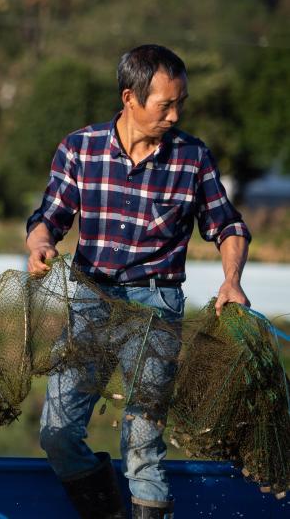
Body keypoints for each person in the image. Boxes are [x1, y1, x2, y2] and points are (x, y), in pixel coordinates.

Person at [25, 44, 251, 519]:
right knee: (57, 433)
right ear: (129, 97)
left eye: (180, 103)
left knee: (143, 445)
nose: (174, 115)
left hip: (157, 306)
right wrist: (40, 245)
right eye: (164, 104)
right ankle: (105, 507)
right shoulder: (80, 147)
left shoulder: (192, 158)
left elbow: (228, 226)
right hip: (89, 300)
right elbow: (48, 217)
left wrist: (232, 279)